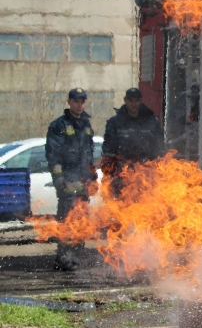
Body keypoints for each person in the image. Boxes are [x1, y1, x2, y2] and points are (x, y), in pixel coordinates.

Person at [46, 87, 96, 271]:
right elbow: (53, 155)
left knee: (81, 223)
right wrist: (59, 179)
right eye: (76, 101)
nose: (79, 104)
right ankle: (64, 259)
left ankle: (76, 258)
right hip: (67, 181)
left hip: (83, 183)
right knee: (67, 222)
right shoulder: (59, 125)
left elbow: (89, 156)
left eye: (82, 101)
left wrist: (93, 179)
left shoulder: (86, 125)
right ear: (69, 102)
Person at [102, 88, 164, 196]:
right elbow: (109, 147)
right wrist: (112, 169)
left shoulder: (151, 122)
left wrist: (155, 166)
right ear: (125, 100)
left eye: (136, 100)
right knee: (120, 207)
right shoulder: (115, 122)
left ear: (141, 101)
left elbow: (159, 146)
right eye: (131, 100)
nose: (133, 104)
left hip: (145, 172)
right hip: (121, 172)